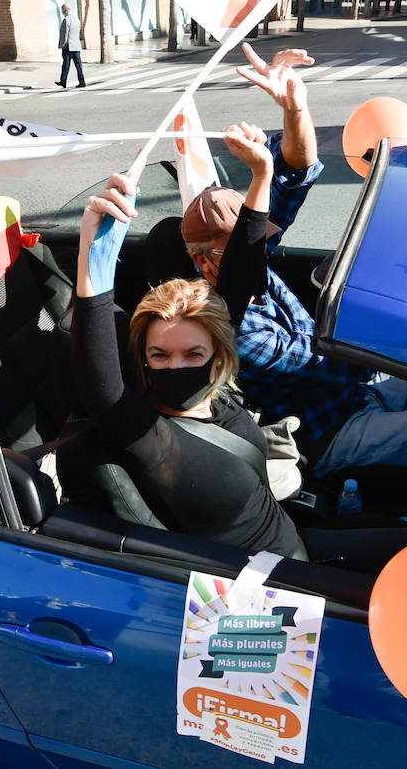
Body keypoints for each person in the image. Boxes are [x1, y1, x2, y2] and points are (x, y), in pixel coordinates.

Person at [179, 44, 407, 487]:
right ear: (204, 261)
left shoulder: (247, 259)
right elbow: (331, 362)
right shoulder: (224, 326)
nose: (263, 242)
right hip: (325, 432)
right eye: (249, 239)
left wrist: (294, 107)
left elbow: (296, 169)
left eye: (259, 230)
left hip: (356, 395)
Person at [72, 127, 307, 560]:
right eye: (158, 354)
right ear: (141, 357)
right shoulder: (149, 435)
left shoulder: (217, 391)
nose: (176, 366)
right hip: (267, 600)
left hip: (295, 544)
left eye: (193, 353)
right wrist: (94, 252)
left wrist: (262, 174)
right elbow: (100, 383)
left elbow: (240, 272)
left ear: (219, 353)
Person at [55, 2, 86, 89]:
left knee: (65, 65)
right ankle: (82, 81)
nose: (62, 12)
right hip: (76, 46)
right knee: (78, 65)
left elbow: (64, 34)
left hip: (68, 47)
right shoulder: (77, 20)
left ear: (65, 10)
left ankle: (63, 81)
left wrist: (62, 45)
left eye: (63, 10)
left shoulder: (66, 20)